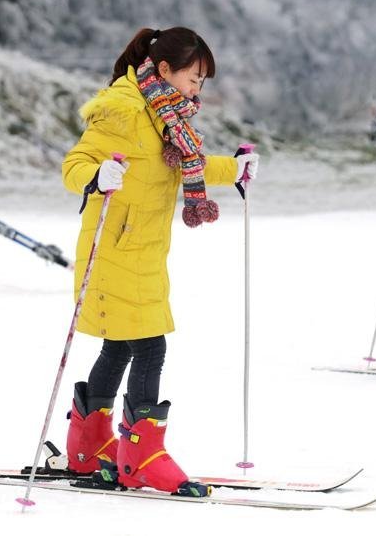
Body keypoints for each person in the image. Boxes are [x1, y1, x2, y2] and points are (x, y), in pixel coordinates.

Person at [60, 27, 259, 496]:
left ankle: (89, 447)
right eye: (194, 78)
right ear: (165, 69)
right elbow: (74, 164)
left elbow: (182, 164)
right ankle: (141, 457)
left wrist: (233, 168)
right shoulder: (124, 109)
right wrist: (96, 174)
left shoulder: (166, 117)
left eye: (203, 82)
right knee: (150, 346)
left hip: (144, 250)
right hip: (112, 249)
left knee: (121, 346)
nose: (197, 90)